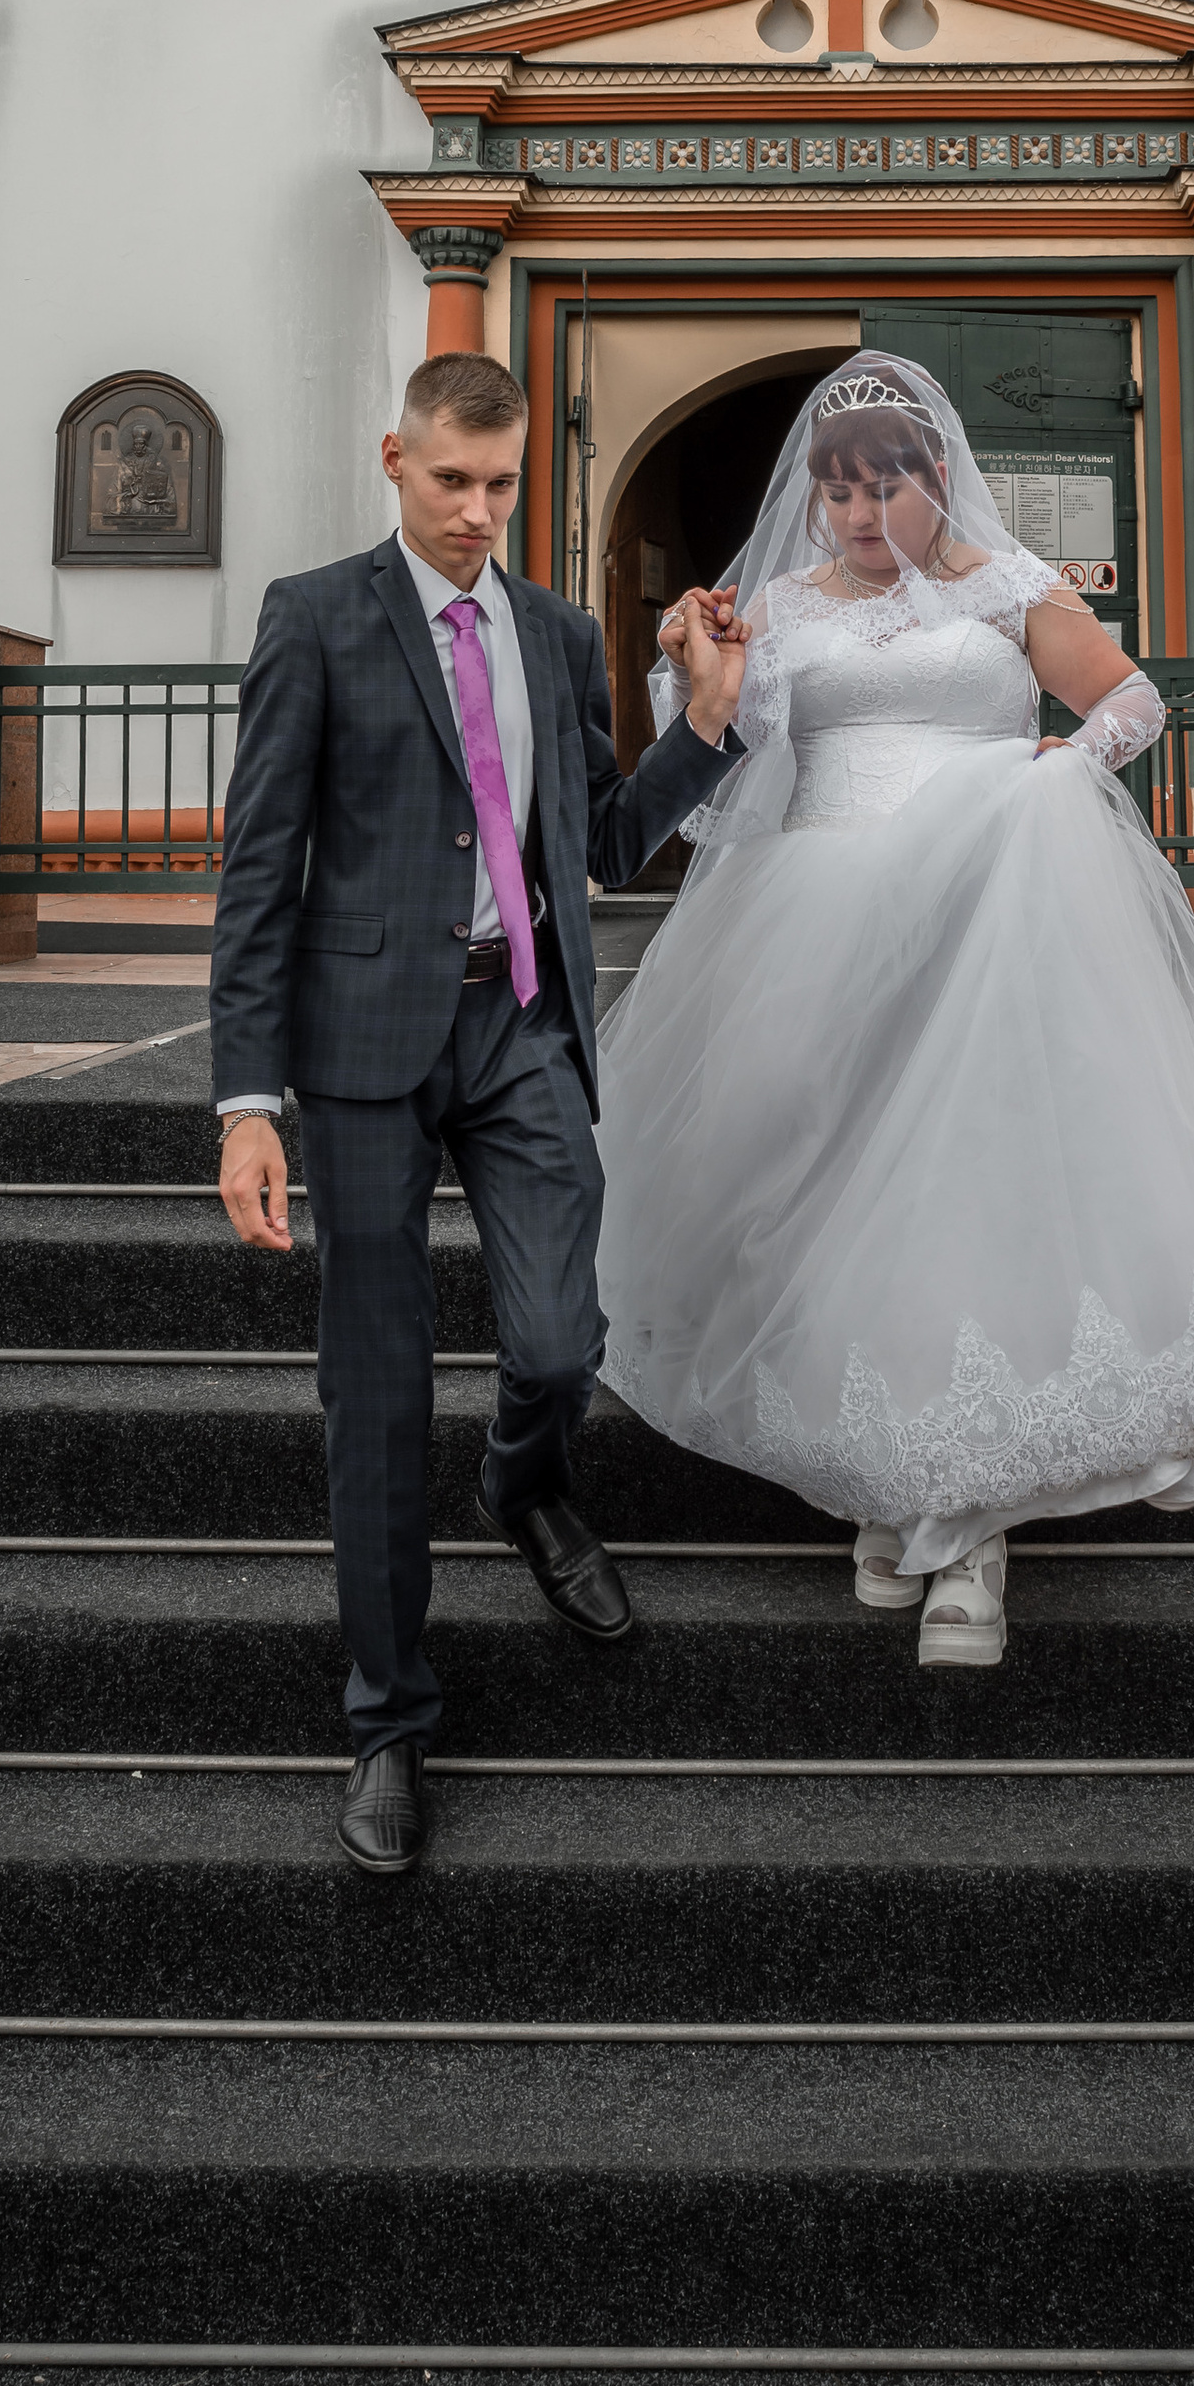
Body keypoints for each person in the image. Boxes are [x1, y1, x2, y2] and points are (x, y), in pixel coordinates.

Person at [595, 354, 1194, 1667]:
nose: (863, 517)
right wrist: (693, 675)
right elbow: (721, 795)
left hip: (987, 920)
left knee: (968, 1197)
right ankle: (887, 1479)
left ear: (935, 482)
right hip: (817, 928)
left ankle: (970, 1529)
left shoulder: (1010, 588)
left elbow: (1132, 699)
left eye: (887, 489)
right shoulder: (780, 610)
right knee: (835, 1200)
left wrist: (1058, 770)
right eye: (838, 492)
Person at [208, 351, 745, 1875]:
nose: (475, 512)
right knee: (373, 1399)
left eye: (501, 485)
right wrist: (248, 1102)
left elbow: (608, 845)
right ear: (396, 459)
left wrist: (704, 721)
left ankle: (524, 1477)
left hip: (521, 1025)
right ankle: (388, 1718)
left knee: (561, 1342)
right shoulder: (314, 617)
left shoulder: (559, 635)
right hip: (364, 1046)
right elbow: (260, 871)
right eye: (452, 480)